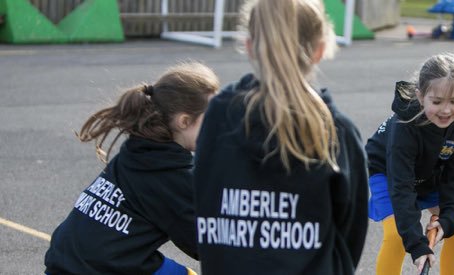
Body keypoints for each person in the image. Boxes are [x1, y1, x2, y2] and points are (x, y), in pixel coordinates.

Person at [192, 0, 368, 274]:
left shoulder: (218, 116)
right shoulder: (336, 130)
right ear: (319, 50)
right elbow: (351, 233)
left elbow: (205, 196)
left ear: (249, 46)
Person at [44, 62, 220, 275]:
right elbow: (206, 244)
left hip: (68, 261)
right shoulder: (169, 174)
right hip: (99, 267)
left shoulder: (138, 152)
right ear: (184, 121)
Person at [365, 53, 454, 275]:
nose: (446, 110)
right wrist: (417, 244)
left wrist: (447, 220)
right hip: (388, 171)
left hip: (429, 170)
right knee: (396, 236)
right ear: (421, 97)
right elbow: (402, 186)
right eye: (437, 101)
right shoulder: (405, 125)